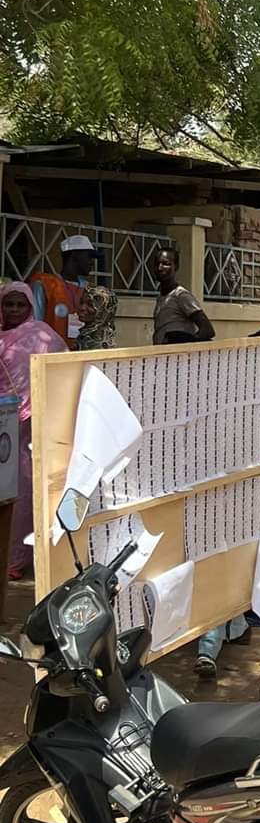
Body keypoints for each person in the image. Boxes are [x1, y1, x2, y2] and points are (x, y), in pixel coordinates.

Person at [0, 283, 66, 579]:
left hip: (31, 425)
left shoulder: (42, 335)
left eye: (20, 305)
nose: (14, 311)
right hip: (4, 422)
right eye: (8, 305)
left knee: (24, 489)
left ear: (30, 308)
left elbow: (61, 367)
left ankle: (15, 558)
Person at [30, 233, 96, 347]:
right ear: (74, 256)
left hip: (81, 352)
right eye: (89, 257)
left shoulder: (89, 288)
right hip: (51, 354)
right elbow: (35, 325)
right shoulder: (45, 284)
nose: (92, 262)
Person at [152, 247, 215, 345]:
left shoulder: (181, 296)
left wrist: (183, 343)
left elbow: (207, 330)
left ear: (176, 267)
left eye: (166, 264)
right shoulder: (161, 298)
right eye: (157, 264)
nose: (160, 268)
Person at [74, 285, 118, 351]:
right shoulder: (87, 334)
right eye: (81, 302)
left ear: (103, 310)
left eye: (91, 305)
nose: (82, 308)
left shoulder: (99, 342)